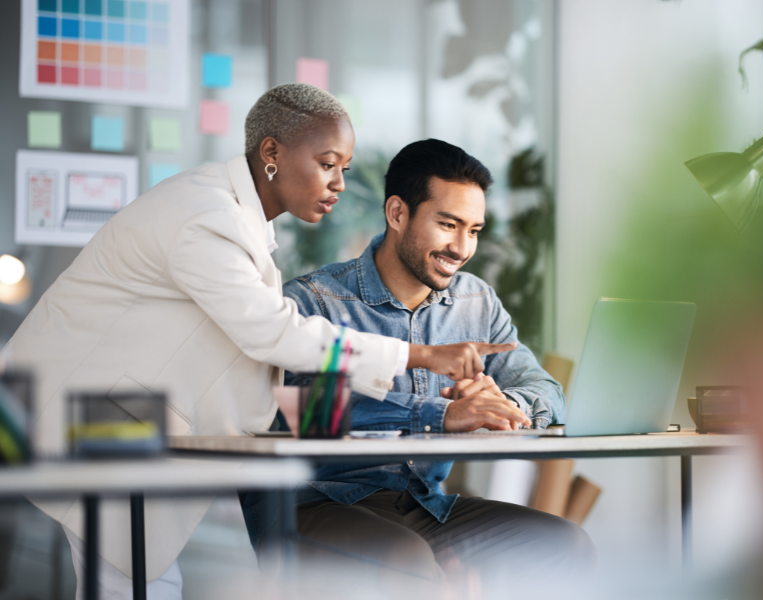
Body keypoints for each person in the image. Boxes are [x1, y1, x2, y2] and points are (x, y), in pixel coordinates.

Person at [2, 87, 513, 598]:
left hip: (118, 416)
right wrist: (418, 359)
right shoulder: (208, 217)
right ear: (272, 154)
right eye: (326, 163)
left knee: (136, 579)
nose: (338, 184)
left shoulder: (236, 220)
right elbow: (273, 335)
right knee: (132, 581)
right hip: (91, 414)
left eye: (345, 168)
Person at [241, 139, 596, 592]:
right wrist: (439, 415)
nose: (462, 247)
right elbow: (296, 411)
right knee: (407, 559)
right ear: (397, 214)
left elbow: (544, 388)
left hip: (425, 506)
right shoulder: (313, 301)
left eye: (474, 230)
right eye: (448, 225)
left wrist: (502, 402)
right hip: (313, 505)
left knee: (564, 545)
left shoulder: (475, 301)